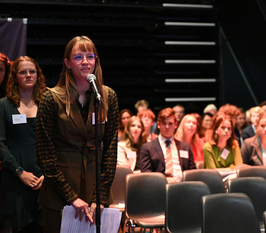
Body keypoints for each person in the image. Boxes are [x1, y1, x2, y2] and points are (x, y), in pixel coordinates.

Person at [36, 36, 119, 232]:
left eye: (90, 56)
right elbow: (44, 155)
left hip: (95, 189)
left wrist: (102, 196)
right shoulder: (51, 98)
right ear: (67, 63)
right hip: (60, 189)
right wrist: (71, 197)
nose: (85, 62)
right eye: (78, 57)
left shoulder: (107, 96)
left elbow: (111, 150)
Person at [0, 56, 46, 232]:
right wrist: (19, 172)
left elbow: (56, 142)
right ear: (15, 76)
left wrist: (47, 175)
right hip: (14, 180)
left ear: (38, 75)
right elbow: (0, 143)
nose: (28, 75)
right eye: (23, 72)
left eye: (32, 71)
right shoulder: (3, 105)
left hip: (42, 180)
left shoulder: (47, 104)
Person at [139, 107, 196, 183]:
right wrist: (165, 180)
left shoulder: (185, 147)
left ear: (175, 125)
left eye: (170, 124)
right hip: (159, 188)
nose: (167, 127)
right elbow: (146, 175)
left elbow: (192, 173)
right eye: (164, 123)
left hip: (183, 187)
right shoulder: (148, 148)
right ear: (158, 124)